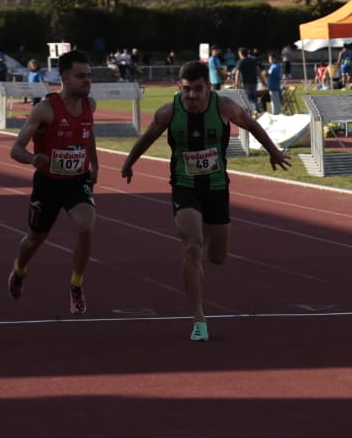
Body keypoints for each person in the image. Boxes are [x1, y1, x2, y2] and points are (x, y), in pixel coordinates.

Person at [120, 61, 292, 341]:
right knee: (193, 248)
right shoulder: (168, 112)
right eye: (186, 90)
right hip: (184, 186)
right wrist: (129, 164)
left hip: (217, 188)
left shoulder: (224, 107)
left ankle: (203, 252)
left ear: (208, 88)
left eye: (198, 90)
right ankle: (199, 319)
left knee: (217, 257)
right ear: (180, 88)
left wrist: (273, 151)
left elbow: (251, 125)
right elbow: (148, 137)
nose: (192, 96)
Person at [6, 50, 98, 317]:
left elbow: (88, 132)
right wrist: (34, 159)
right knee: (35, 238)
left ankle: (76, 285)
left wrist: (95, 163)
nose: (87, 81)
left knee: (86, 226)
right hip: (48, 183)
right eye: (81, 76)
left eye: (89, 76)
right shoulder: (45, 110)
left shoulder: (89, 105)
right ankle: (20, 270)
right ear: (65, 78)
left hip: (77, 180)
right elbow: (16, 149)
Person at [233, 46, 260, 113]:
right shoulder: (253, 60)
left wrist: (236, 85)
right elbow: (258, 71)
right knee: (254, 97)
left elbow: (237, 74)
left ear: (240, 53)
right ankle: (256, 110)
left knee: (248, 97)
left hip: (246, 83)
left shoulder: (241, 62)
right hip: (254, 81)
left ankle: (251, 112)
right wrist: (262, 81)